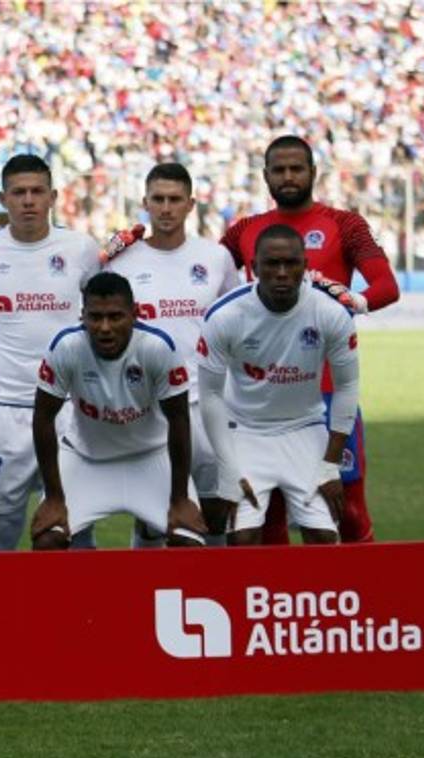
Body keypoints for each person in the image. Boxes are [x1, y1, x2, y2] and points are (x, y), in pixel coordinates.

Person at [220, 135, 398, 544]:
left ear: (313, 173)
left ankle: (360, 583)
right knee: (270, 516)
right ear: (265, 176)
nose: (288, 177)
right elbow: (202, 275)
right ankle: (280, 588)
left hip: (329, 390)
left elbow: (386, 286)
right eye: (279, 170)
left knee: (347, 509)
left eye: (296, 168)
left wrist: (350, 301)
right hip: (263, 396)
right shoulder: (245, 231)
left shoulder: (345, 225)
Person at [0, 153, 101, 551]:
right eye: (18, 193)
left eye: (37, 191)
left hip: (67, 409)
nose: (28, 201)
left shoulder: (82, 249)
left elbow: (102, 316)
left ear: (53, 197)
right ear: (3, 199)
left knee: (72, 527)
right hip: (6, 411)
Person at [102, 162, 241, 546]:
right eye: (158, 199)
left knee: (215, 510)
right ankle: (149, 583)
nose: (166, 208)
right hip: (149, 406)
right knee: (153, 516)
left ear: (190, 204)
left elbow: (237, 322)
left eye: (175, 199)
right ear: (145, 202)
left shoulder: (215, 258)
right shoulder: (121, 260)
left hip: (207, 402)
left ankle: (218, 577)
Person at [198, 224, 360, 545]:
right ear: (255, 267)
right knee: (242, 537)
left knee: (324, 537)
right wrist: (227, 466)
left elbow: (347, 386)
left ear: (305, 266)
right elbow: (211, 394)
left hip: (305, 429)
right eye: (272, 264)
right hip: (244, 431)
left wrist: (330, 463)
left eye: (291, 263)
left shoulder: (331, 313)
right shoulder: (224, 316)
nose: (282, 273)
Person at [31, 272, 206, 549]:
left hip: (152, 455)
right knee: (47, 540)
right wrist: (53, 498)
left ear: (134, 314)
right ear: (82, 316)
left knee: (188, 541)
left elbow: (179, 420)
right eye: (95, 317)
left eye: (115, 317)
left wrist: (180, 499)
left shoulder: (159, 347)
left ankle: (149, 537)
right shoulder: (65, 347)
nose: (104, 327)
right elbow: (43, 418)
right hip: (86, 457)